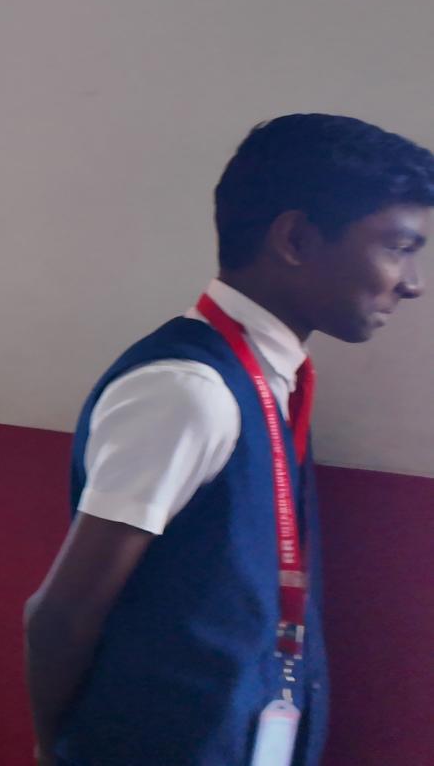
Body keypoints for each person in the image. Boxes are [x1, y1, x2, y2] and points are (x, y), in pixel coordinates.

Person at [24, 114, 434, 766]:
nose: (412, 282)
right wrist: (55, 752)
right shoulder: (189, 390)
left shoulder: (273, 378)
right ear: (296, 239)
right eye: (398, 247)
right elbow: (61, 615)